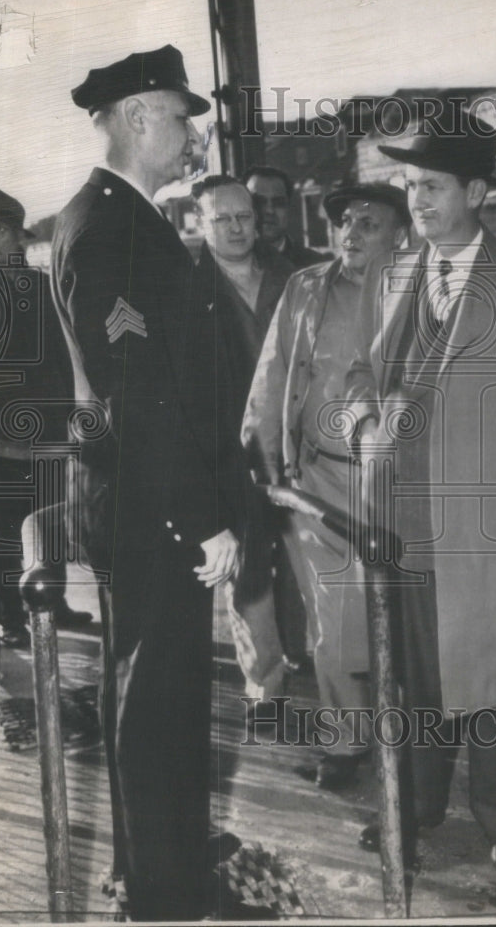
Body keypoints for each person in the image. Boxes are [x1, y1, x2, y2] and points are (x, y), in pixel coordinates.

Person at [346, 101, 496, 875]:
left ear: (477, 193)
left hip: (491, 532)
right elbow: (359, 377)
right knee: (413, 682)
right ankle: (410, 812)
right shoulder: (394, 277)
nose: (415, 201)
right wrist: (358, 428)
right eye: (409, 186)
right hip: (401, 525)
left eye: (434, 187)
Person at [51, 47, 258, 921]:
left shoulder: (114, 218)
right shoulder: (111, 230)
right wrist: (202, 518)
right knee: (158, 704)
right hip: (152, 506)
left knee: (151, 696)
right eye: (183, 119)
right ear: (139, 117)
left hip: (139, 500)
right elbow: (139, 394)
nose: (193, 138)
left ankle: (160, 872)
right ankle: (167, 901)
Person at [242, 182, 411, 789]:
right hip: (313, 481)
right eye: (344, 221)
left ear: (401, 233)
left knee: (398, 619)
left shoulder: (420, 293)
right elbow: (272, 374)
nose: (351, 232)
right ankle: (345, 740)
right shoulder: (304, 287)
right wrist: (264, 464)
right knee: (332, 621)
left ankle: (405, 743)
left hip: (395, 486)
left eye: (369, 222)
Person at [193, 174, 296, 711]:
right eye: (222, 219)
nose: (235, 228)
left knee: (309, 565)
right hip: (231, 455)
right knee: (251, 572)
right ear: (200, 223)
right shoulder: (186, 290)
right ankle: (266, 687)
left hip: (299, 447)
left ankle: (324, 675)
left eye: (244, 217)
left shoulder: (294, 277)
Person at [0, 189, 92, 658]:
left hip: (49, 430)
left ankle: (56, 603)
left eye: (3, 232)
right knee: (4, 533)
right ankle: (9, 618)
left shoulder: (40, 284)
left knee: (51, 522)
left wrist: (71, 419)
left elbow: (66, 354)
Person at [243, 164, 328, 269]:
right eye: (259, 202)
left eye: (278, 203)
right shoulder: (225, 266)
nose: (269, 210)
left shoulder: (317, 266)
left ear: (289, 208)